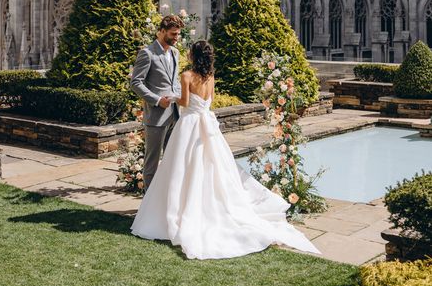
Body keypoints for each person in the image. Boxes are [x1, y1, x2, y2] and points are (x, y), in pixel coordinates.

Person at [131, 40, 320, 260]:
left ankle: (177, 210)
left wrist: (170, 98)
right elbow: (206, 101)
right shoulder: (210, 77)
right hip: (207, 125)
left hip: (190, 125)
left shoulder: (186, 76)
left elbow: (183, 102)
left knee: (181, 168)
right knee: (211, 167)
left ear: (193, 56)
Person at [130, 14, 183, 190]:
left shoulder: (175, 53)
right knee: (151, 163)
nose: (176, 38)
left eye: (178, 34)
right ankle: (148, 206)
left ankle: (165, 201)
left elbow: (173, 82)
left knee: (171, 161)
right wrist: (157, 100)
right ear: (161, 32)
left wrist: (181, 98)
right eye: (173, 34)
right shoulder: (147, 53)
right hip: (156, 116)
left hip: (175, 115)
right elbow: (136, 83)